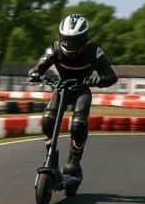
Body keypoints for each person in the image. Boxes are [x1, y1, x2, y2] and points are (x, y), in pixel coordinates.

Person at [28, 13, 118, 179]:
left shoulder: (94, 51)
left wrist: (98, 80)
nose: (69, 44)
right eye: (66, 39)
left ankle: (74, 162)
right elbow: (38, 67)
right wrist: (35, 74)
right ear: (60, 36)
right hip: (61, 87)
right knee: (48, 118)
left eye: (74, 40)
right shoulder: (54, 48)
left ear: (83, 39)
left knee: (78, 124)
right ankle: (51, 156)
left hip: (82, 89)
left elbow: (111, 76)